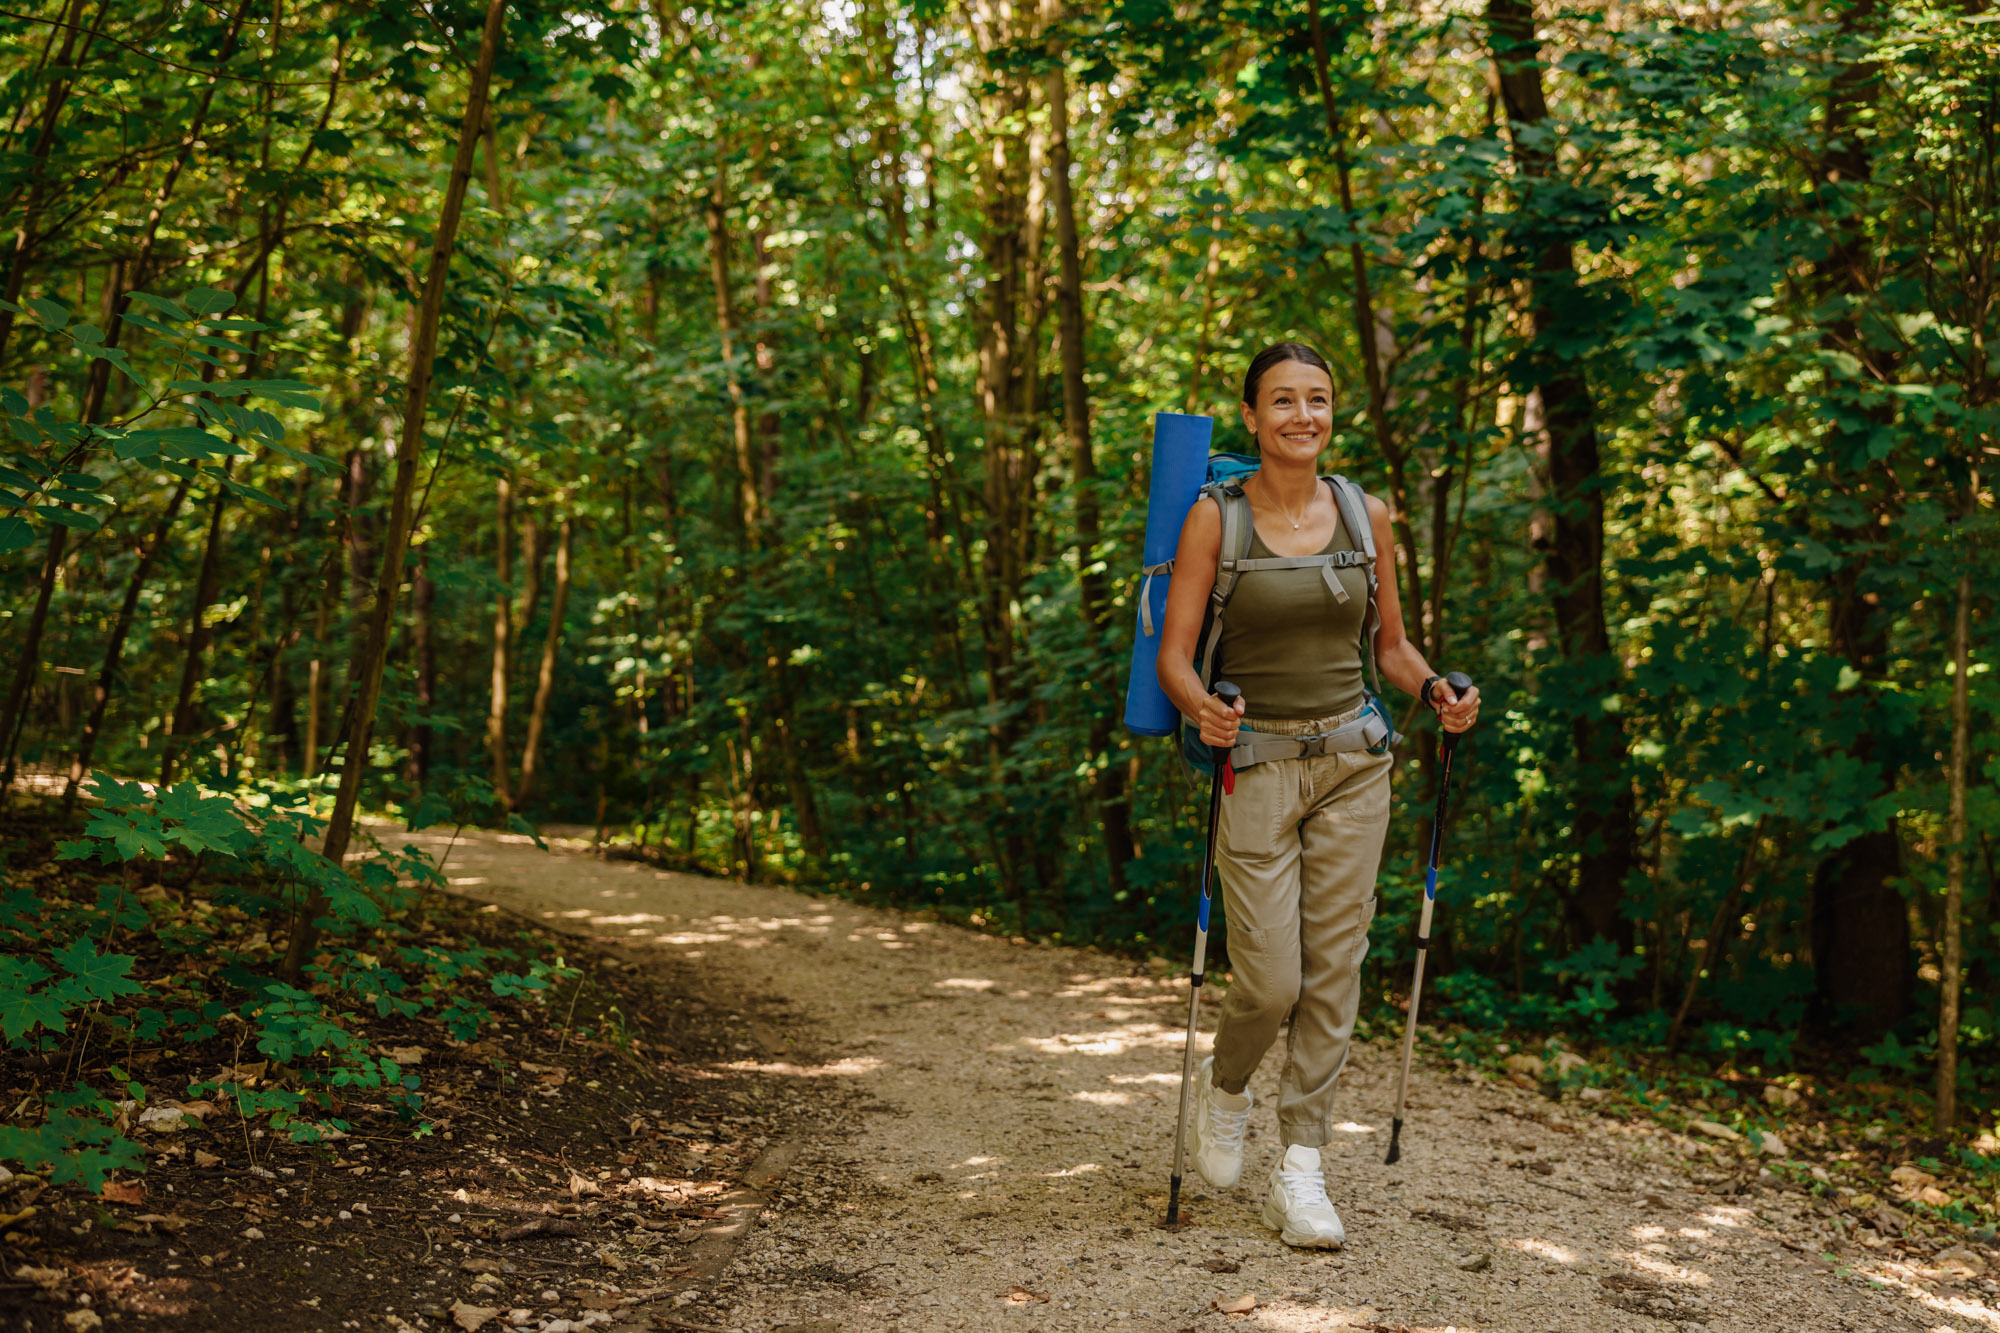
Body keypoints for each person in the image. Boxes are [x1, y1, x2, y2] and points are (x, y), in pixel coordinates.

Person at [1154, 341, 1480, 1248]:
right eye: (1283, 401)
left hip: (1353, 763)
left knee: (1334, 976)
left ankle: (1301, 1168)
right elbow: (1175, 657)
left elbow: (1391, 649)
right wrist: (1203, 713)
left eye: (1319, 400)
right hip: (1253, 762)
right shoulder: (1215, 520)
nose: (1304, 415)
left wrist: (1437, 693)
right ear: (1252, 417)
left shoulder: (1363, 512)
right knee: (1270, 979)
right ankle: (1227, 1092)